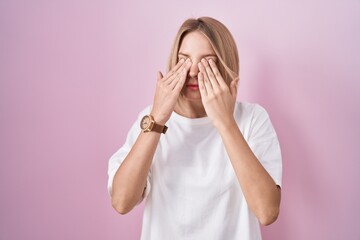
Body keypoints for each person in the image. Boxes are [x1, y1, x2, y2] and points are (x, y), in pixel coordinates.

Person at [107, 16, 282, 240]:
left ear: (225, 65)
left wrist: (225, 123)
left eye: (207, 62)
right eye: (184, 60)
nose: (193, 72)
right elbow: (121, 201)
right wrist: (158, 117)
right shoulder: (150, 119)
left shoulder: (253, 119)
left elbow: (267, 212)